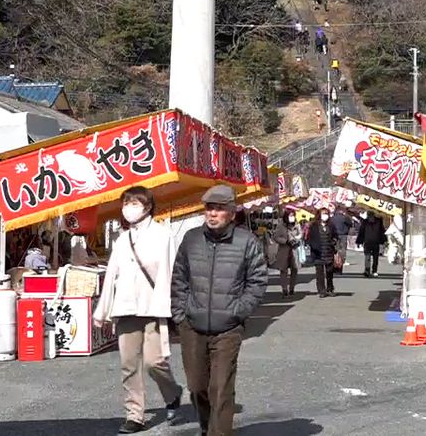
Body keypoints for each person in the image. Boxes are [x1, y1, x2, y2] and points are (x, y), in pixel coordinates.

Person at [171, 185, 268, 436]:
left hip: (228, 328)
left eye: (219, 209)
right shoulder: (191, 239)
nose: (212, 214)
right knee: (196, 386)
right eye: (209, 208)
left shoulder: (247, 242)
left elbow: (257, 282)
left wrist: (239, 311)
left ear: (232, 213)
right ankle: (207, 426)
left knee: (221, 388)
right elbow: (179, 278)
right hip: (193, 325)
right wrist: (180, 315)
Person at [93, 187, 183, 434]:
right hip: (126, 307)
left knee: (155, 362)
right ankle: (135, 414)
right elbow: (112, 274)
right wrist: (102, 311)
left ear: (148, 206)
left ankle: (172, 392)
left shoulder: (163, 235)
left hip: (155, 307)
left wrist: (173, 306)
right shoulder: (122, 239)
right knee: (128, 364)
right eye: (126, 202)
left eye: (134, 202)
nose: (129, 207)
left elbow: (172, 272)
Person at [270, 210, 301, 297]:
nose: (292, 217)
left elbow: (300, 234)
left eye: (293, 215)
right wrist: (285, 241)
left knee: (294, 269)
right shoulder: (281, 225)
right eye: (290, 215)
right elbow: (275, 237)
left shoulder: (296, 225)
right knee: (283, 270)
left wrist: (297, 239)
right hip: (284, 250)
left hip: (294, 249)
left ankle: (292, 289)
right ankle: (284, 289)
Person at [307, 209, 338, 297]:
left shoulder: (331, 225)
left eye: (327, 214)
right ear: (319, 215)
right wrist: (313, 246)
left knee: (329, 272)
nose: (325, 215)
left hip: (329, 251)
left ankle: (330, 288)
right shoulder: (314, 226)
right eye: (323, 214)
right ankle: (321, 290)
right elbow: (309, 238)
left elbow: (335, 235)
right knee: (319, 273)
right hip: (318, 253)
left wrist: (334, 241)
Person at [355, 210, 387, 277]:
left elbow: (361, 232)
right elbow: (382, 231)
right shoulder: (378, 221)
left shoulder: (365, 222)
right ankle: (374, 271)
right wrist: (384, 241)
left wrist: (359, 241)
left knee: (367, 256)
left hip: (367, 241)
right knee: (375, 257)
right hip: (376, 241)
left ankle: (367, 270)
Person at [329, 206, 353, 273]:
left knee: (335, 249)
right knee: (343, 249)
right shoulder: (344, 218)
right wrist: (346, 229)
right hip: (343, 234)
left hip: (335, 235)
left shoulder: (332, 218)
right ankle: (342, 261)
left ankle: (335, 262)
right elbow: (350, 224)